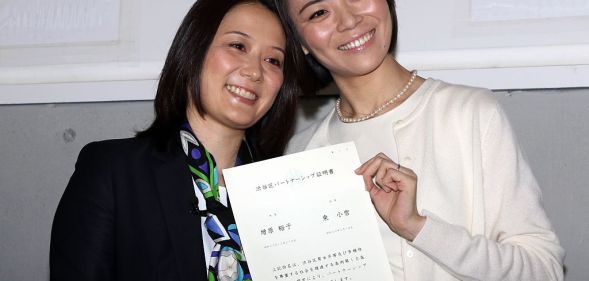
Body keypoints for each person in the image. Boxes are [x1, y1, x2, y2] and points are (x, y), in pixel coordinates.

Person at [275, 0, 565, 280]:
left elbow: (543, 270)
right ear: (299, 40)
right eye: (319, 12)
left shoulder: (470, 112)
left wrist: (418, 227)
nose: (349, 20)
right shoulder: (301, 153)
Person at [49, 0, 310, 280]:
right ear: (193, 50)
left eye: (273, 60)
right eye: (237, 46)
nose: (255, 71)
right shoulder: (113, 171)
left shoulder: (286, 193)